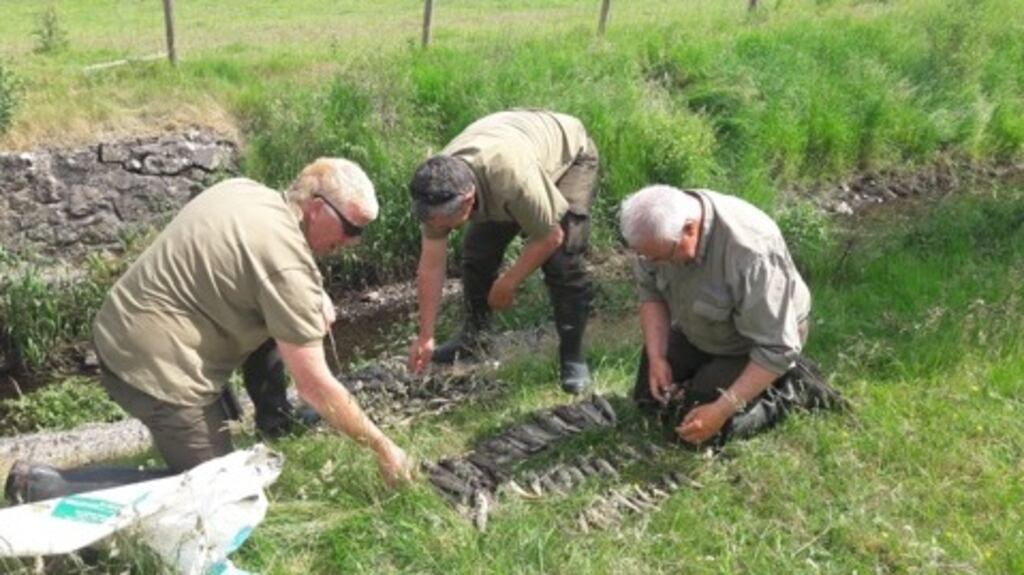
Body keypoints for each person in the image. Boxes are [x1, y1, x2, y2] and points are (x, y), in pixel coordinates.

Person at [4, 159, 413, 504]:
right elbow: (315, 386)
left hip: (119, 327)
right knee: (222, 498)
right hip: (151, 371)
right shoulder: (285, 267)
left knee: (281, 325)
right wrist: (383, 447)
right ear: (317, 207)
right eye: (352, 229)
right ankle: (44, 486)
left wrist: (313, 293)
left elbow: (270, 264)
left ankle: (274, 420)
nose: (353, 242)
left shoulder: (247, 191)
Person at [619, 185, 843, 446]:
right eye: (646, 256)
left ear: (690, 230)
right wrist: (657, 358)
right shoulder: (656, 237)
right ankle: (708, 380)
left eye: (660, 257)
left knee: (696, 433)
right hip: (698, 327)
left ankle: (791, 391)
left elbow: (777, 346)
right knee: (649, 401)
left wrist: (720, 411)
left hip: (755, 343)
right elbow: (652, 297)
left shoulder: (751, 251)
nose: (651, 262)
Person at [406, 110, 600, 394]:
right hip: (513, 144)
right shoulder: (435, 191)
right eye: (432, 220)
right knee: (477, 253)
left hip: (567, 155)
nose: (439, 227)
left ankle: (572, 357)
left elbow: (550, 236)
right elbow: (431, 267)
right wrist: (426, 335)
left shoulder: (512, 179)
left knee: (562, 262)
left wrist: (508, 282)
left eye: (445, 220)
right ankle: (474, 338)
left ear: (468, 201)